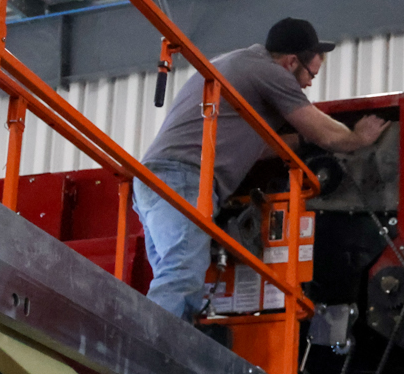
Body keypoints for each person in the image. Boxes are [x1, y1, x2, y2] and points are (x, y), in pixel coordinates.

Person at [133, 17, 385, 320]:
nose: (308, 84)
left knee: (175, 276)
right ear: (292, 62)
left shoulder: (234, 64)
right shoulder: (269, 72)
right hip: (184, 177)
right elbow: (327, 135)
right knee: (182, 274)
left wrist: (300, 141)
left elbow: (255, 146)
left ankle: (158, 340)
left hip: (151, 179)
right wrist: (357, 138)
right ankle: (148, 342)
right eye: (311, 75)